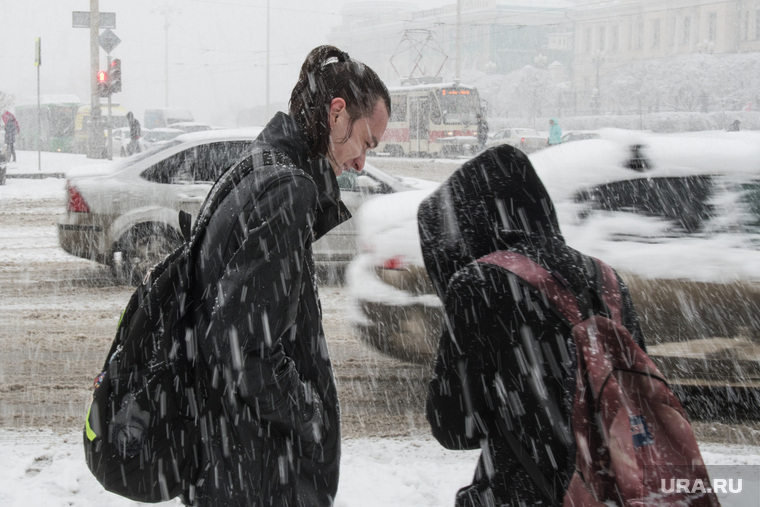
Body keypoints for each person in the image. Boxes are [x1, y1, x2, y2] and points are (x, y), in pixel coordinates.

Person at [186, 45, 390, 506]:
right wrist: (311, 415)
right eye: (367, 142)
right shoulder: (288, 191)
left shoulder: (260, 165)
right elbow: (243, 350)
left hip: (229, 457)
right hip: (258, 472)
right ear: (338, 114)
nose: (362, 163)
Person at [418, 144, 646, 506]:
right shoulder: (606, 279)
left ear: (470, 220)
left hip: (521, 492)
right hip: (617, 488)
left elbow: (454, 428)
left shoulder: (478, 284)